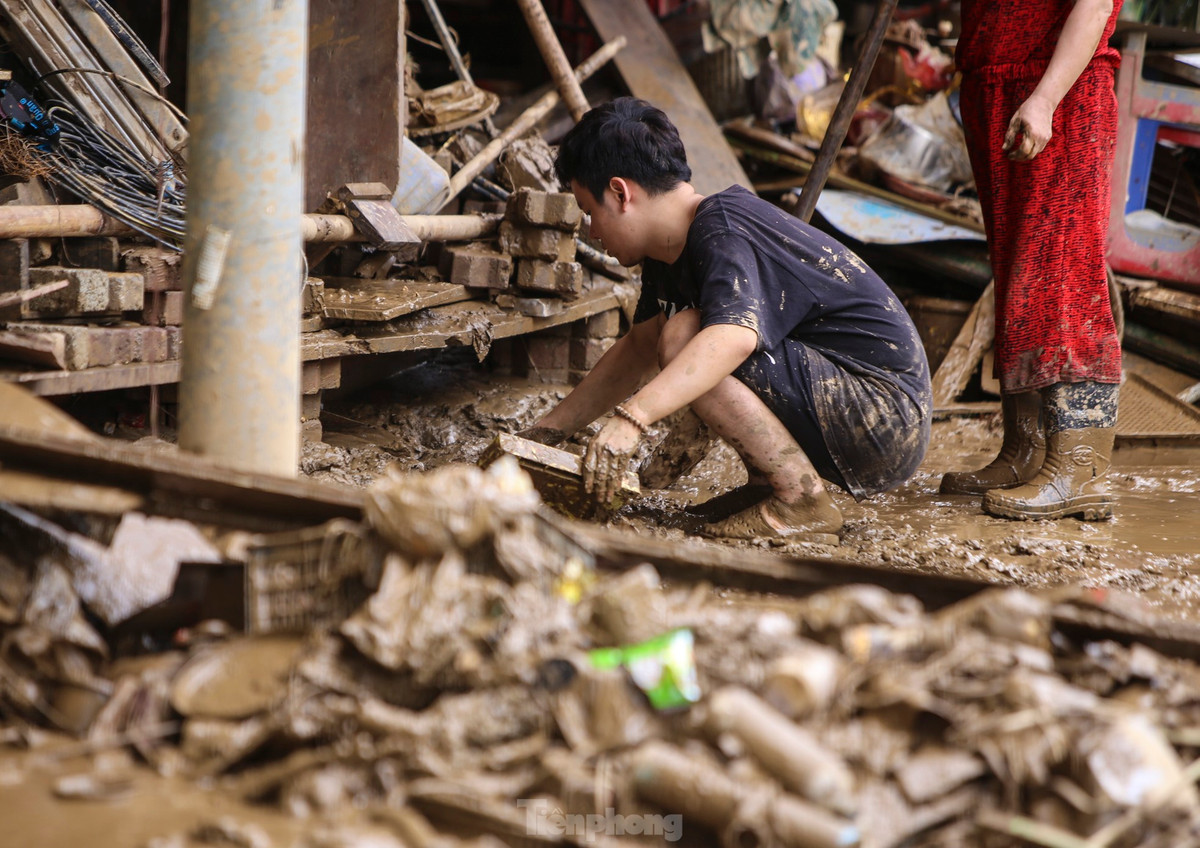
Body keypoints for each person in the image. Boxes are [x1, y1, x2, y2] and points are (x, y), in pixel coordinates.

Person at [519, 97, 932, 544]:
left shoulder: (723, 226)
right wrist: (542, 436)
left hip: (882, 413)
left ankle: (801, 499)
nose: (592, 230)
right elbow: (637, 349)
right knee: (675, 333)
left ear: (621, 193)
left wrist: (631, 420)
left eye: (589, 211)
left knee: (687, 335)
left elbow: (734, 337)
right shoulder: (668, 251)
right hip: (846, 400)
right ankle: (768, 485)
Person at [939, 0, 1124, 521]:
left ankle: (1079, 470)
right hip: (996, 84)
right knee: (1019, 280)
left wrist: (1044, 97)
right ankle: (1026, 452)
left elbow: (1095, 5)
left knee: (1063, 274)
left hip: (1060, 89)